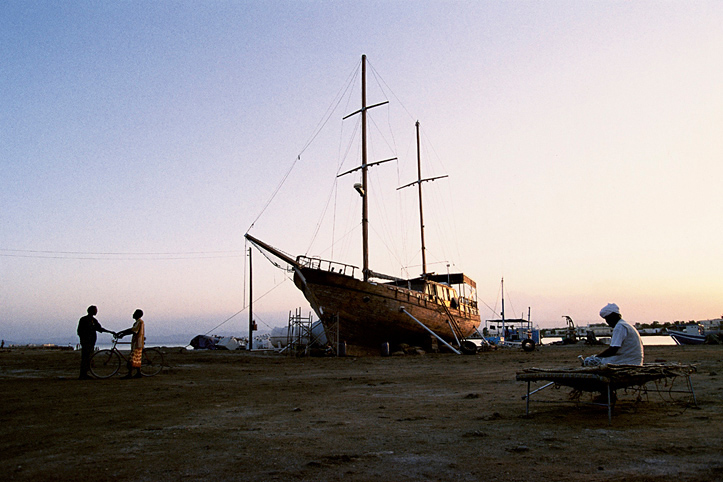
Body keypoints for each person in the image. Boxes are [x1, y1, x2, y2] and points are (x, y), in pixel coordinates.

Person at [77, 305, 115, 379]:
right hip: (86, 342)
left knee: (89, 357)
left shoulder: (93, 320)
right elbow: (79, 331)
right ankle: (83, 374)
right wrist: (83, 339)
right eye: (95, 310)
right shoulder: (84, 319)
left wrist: (110, 332)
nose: (96, 311)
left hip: (91, 342)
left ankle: (85, 373)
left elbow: (100, 328)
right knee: (85, 357)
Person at [117, 309, 145, 379]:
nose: (133, 314)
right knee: (136, 359)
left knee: (132, 359)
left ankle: (130, 374)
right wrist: (122, 332)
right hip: (137, 343)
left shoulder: (139, 322)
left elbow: (133, 331)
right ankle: (138, 373)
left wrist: (122, 334)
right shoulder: (139, 322)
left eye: (134, 313)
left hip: (137, 343)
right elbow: (132, 329)